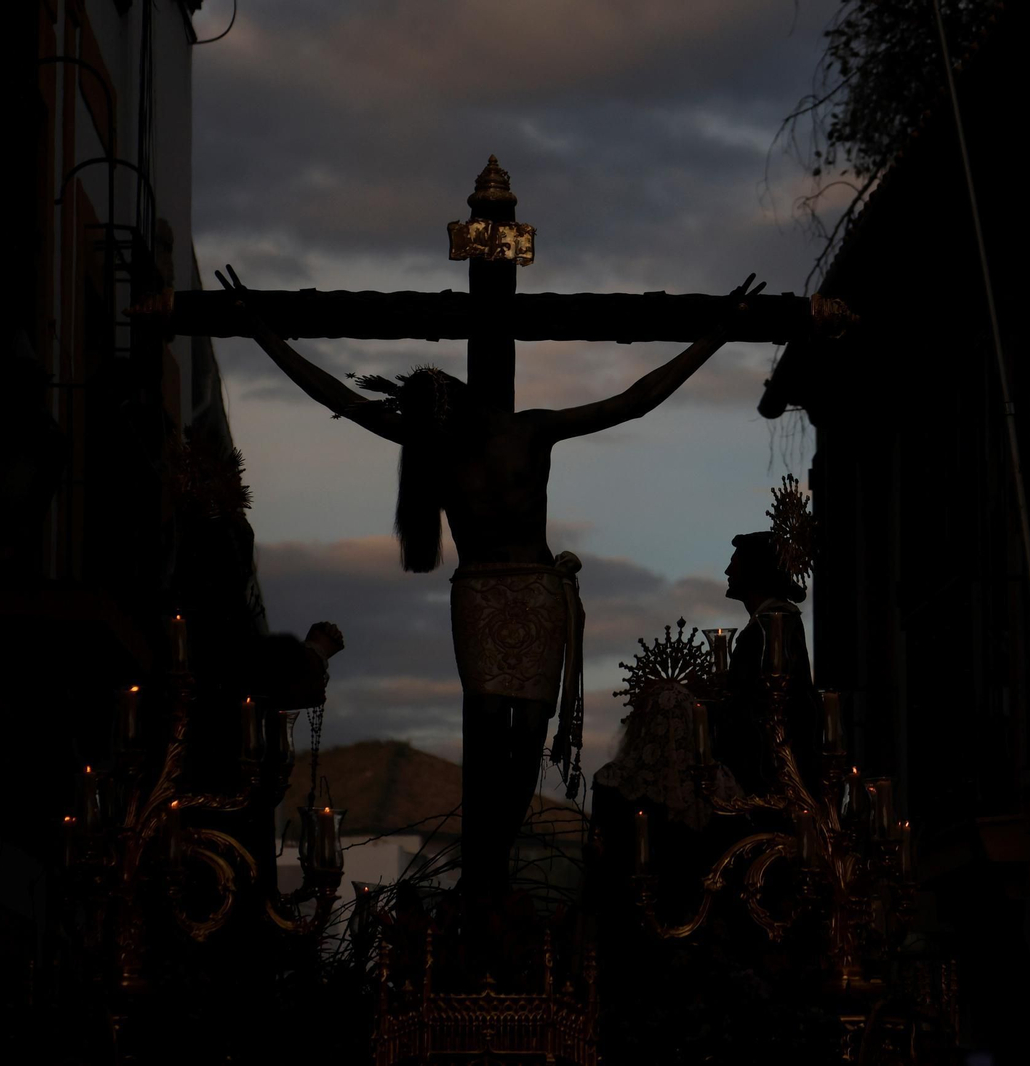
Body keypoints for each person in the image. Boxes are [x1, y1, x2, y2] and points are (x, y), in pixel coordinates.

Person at [210, 263, 767, 948]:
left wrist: (716, 334)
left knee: (524, 737)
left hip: (528, 594)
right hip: (487, 595)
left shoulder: (521, 433)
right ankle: (484, 886)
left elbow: (636, 401)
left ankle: (488, 881)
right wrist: (261, 330)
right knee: (490, 733)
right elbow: (338, 395)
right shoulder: (461, 443)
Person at [718, 530, 819, 797]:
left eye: (735, 563)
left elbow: (754, 706)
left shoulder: (771, 628)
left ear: (755, 570)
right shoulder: (773, 625)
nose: (727, 571)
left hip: (772, 774)